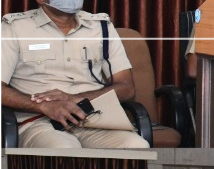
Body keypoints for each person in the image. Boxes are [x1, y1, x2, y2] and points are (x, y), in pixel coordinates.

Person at [2, 25, 149, 149]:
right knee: (64, 150)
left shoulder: (101, 26)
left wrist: (74, 99)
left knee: (137, 146)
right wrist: (44, 106)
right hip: (40, 121)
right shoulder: (14, 27)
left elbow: (126, 88)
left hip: (93, 119)